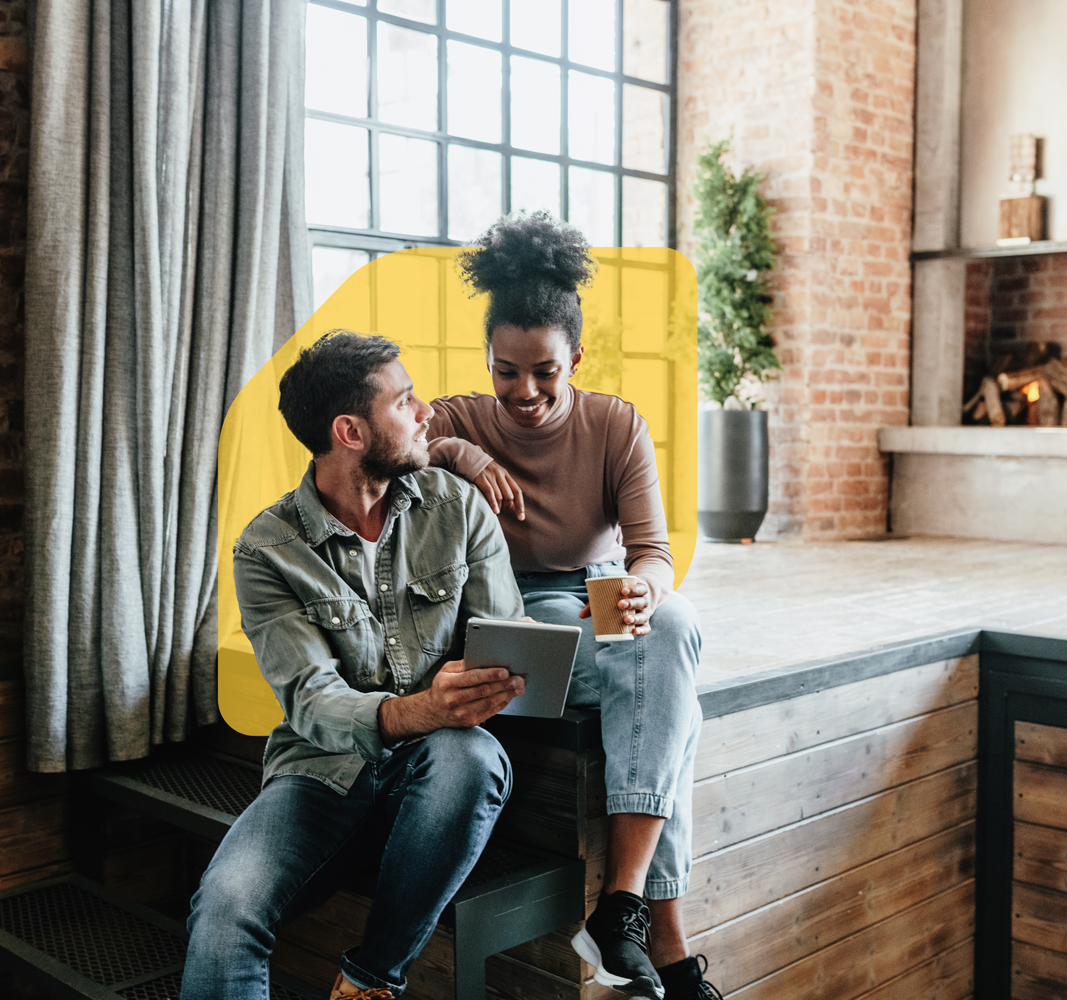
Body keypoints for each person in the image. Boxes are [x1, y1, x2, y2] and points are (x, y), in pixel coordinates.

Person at [182, 331, 527, 1000]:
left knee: (473, 757)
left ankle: (369, 981)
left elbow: (504, 640)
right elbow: (311, 701)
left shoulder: (456, 507)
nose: (426, 411)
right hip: (321, 773)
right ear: (350, 431)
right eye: (404, 401)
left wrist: (501, 676)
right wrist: (421, 706)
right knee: (224, 910)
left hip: (438, 769)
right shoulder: (267, 548)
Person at [426, 213, 716, 1000]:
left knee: (675, 628)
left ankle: (618, 904)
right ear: (488, 360)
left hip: (597, 596)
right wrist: (463, 452)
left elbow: (652, 552)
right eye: (506, 371)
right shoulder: (458, 417)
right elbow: (395, 445)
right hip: (516, 613)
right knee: (668, 702)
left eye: (544, 372)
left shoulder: (615, 424)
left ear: (575, 358)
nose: (524, 392)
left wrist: (647, 587)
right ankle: (667, 940)